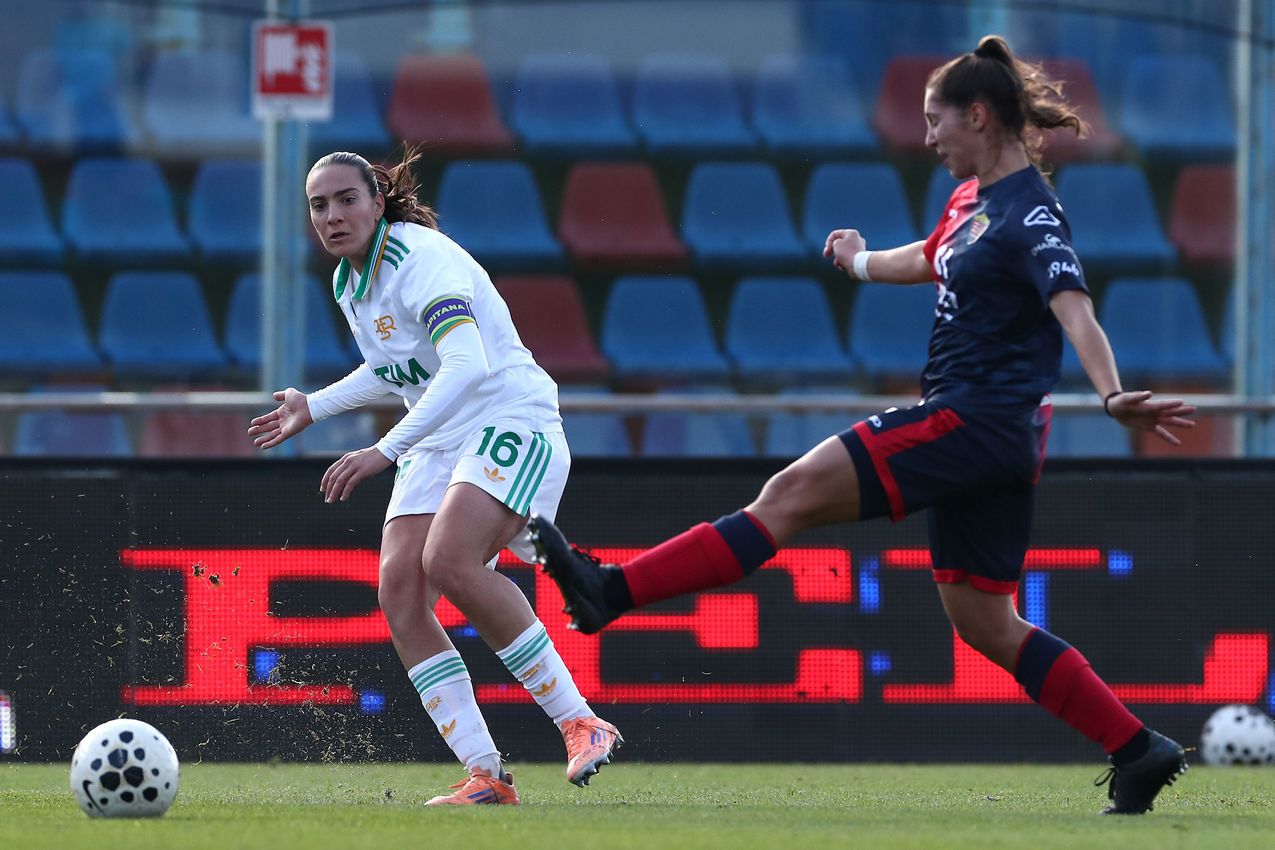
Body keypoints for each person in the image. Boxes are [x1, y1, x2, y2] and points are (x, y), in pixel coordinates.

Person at [529, 35, 1195, 815]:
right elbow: (932, 256)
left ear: (977, 116)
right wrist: (859, 262)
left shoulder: (1031, 213)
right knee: (984, 621)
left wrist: (1112, 396)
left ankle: (611, 590)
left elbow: (1071, 307)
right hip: (991, 435)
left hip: (973, 419)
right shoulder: (971, 199)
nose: (926, 137)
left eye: (934, 119)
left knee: (789, 492)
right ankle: (1136, 748)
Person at [248, 147, 621, 805]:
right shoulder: (348, 283)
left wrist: (383, 452)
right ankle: (487, 774)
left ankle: (580, 723)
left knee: (449, 560)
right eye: (318, 205)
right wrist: (314, 404)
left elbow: (466, 363)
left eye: (345, 199)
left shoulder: (420, 259)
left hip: (508, 411)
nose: (332, 215)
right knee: (399, 587)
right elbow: (399, 369)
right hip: (440, 432)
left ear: (377, 200)